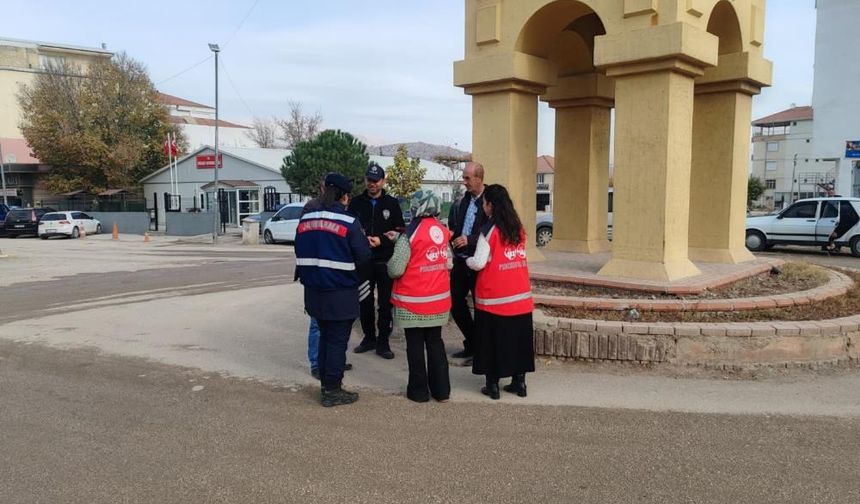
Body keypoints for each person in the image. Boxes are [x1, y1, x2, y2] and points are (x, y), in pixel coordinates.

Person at [295, 173, 371, 407]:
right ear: (345, 196)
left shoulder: (306, 220)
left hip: (313, 292)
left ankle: (325, 384)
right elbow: (364, 256)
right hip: (340, 293)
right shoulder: (348, 222)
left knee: (324, 338)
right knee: (337, 341)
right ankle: (332, 390)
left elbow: (299, 251)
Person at [466, 184, 535, 400]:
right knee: (518, 342)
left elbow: (478, 262)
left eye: (485, 203)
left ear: (490, 205)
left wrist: (466, 260)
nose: (483, 207)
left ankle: (493, 386)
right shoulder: (518, 228)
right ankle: (519, 383)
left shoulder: (489, 230)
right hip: (520, 297)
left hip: (494, 299)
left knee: (491, 343)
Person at [387, 190, 453, 403]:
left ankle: (418, 392)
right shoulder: (443, 231)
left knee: (415, 345)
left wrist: (396, 247)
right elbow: (448, 262)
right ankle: (442, 391)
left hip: (412, 302)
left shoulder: (409, 235)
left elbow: (396, 269)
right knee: (435, 343)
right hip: (438, 301)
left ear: (417, 207)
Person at [296, 175, 353, 380]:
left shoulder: (340, 209)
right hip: (321, 277)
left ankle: (332, 364)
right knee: (319, 325)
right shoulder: (312, 207)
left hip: (325, 276)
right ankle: (317, 364)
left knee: (332, 329)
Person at [347, 162, 405, 359]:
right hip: (363, 262)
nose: (371, 184)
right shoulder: (355, 203)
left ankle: (383, 342)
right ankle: (369, 337)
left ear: (383, 181)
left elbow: (400, 231)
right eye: (369, 180)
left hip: (385, 262)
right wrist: (363, 240)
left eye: (375, 180)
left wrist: (381, 239)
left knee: (386, 304)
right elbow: (349, 229)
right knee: (365, 301)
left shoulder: (392, 203)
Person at [448, 162, 488, 364]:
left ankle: (481, 351)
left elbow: (491, 230)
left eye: (467, 178)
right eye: (464, 177)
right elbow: (458, 224)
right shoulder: (465, 199)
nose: (464, 182)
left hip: (480, 261)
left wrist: (470, 239)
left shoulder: (491, 200)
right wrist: (453, 236)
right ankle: (472, 343)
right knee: (455, 302)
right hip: (461, 259)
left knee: (481, 307)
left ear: (479, 179)